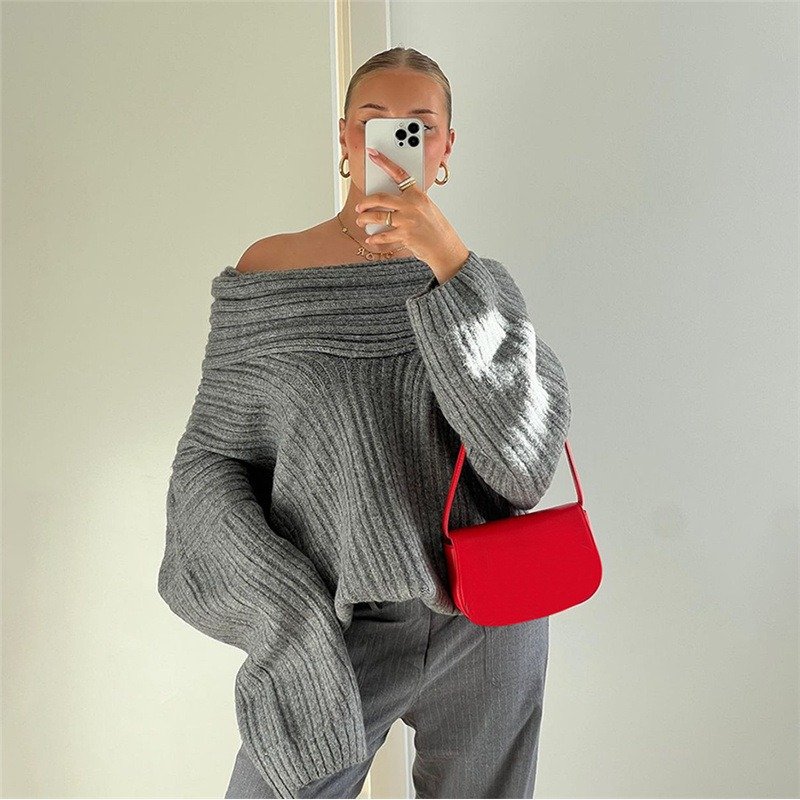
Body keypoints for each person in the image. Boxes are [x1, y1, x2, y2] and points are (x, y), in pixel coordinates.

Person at [158, 46, 570, 799]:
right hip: (339, 623)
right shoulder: (270, 274)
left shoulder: (478, 285)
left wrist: (448, 265)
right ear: (346, 137)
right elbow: (211, 457)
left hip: (488, 613)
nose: (396, 140)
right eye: (376, 122)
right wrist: (284, 608)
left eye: (421, 125)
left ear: (445, 147)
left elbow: (523, 468)